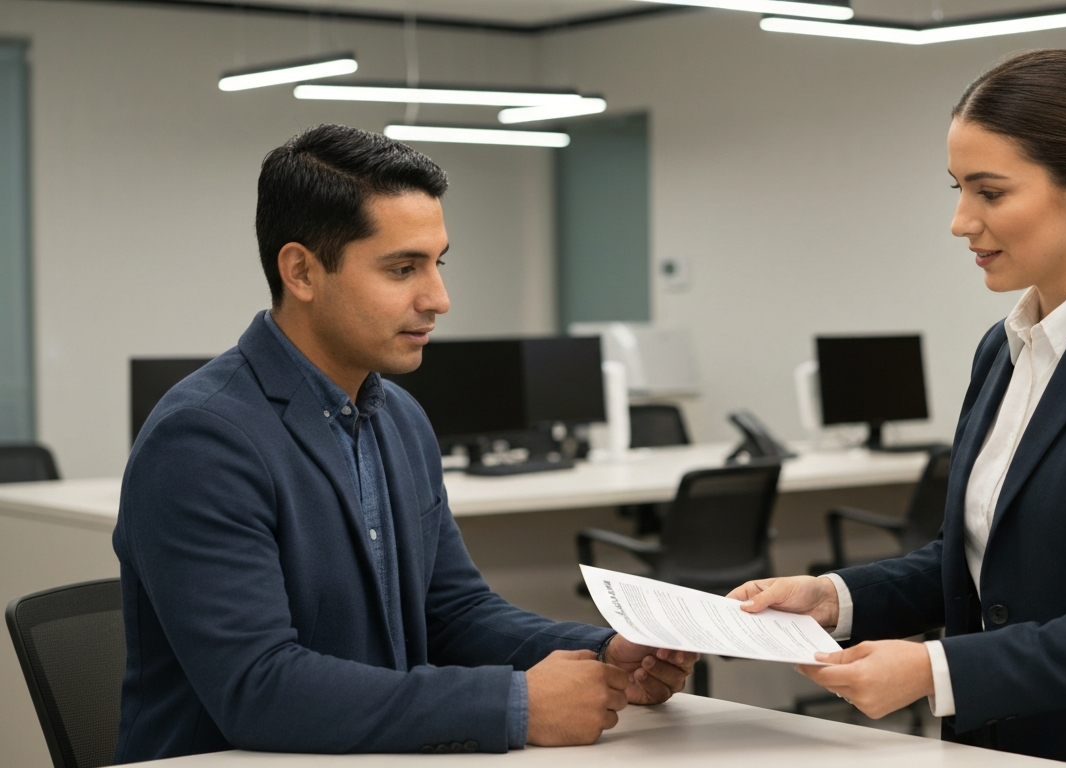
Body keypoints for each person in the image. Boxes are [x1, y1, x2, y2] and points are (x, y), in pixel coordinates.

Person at [730, 50, 1066, 768]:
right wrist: (831, 599)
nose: (959, 221)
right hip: (999, 746)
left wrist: (933, 670)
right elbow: (977, 559)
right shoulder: (1003, 348)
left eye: (990, 192)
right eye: (957, 188)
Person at [112, 124, 696, 763]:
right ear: (301, 271)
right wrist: (515, 704)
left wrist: (605, 650)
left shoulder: (399, 418)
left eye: (436, 263)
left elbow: (452, 611)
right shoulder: (203, 439)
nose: (439, 299)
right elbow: (259, 688)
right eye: (402, 269)